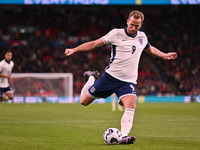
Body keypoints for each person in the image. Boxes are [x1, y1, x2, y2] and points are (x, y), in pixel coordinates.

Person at [65, 10, 177, 144]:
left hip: (127, 81)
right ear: (127, 22)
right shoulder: (116, 33)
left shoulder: (142, 37)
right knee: (83, 101)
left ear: (141, 25)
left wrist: (164, 55)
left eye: (137, 25)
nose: (133, 28)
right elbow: (95, 43)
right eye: (132, 24)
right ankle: (92, 78)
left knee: (131, 105)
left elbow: (150, 49)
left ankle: (122, 136)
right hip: (110, 77)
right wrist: (74, 49)